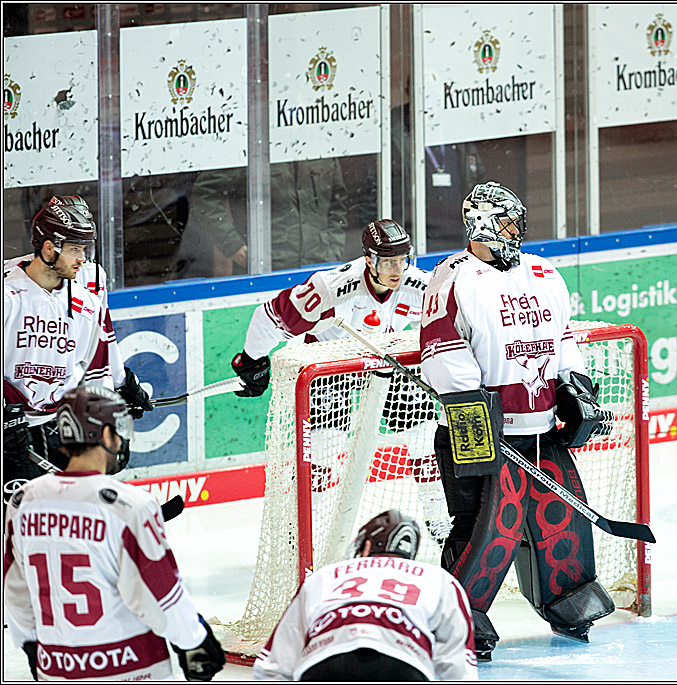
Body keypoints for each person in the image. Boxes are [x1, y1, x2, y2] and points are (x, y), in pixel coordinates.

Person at [419, 181, 616, 662]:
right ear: (482, 225)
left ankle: (569, 600)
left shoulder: (545, 273)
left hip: (542, 426)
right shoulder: (452, 279)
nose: (517, 230)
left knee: (562, 518)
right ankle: (462, 617)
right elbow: (441, 357)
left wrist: (575, 387)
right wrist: (479, 418)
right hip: (478, 428)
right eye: (507, 221)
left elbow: (563, 339)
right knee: (484, 526)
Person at [2, 387, 225, 681]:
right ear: (106, 436)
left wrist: (31, 643)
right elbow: (159, 593)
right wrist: (194, 640)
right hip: (130, 668)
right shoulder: (130, 505)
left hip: (55, 667)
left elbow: (14, 587)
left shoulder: (23, 502)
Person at [4, 196, 152, 503]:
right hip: (9, 428)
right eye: (74, 249)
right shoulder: (9, 296)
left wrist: (110, 411)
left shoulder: (87, 304)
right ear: (48, 248)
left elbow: (95, 373)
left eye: (85, 248)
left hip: (56, 426)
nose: (83, 258)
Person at [252, 509, 477, 681]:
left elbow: (274, 665)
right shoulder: (437, 578)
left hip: (325, 659)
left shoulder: (325, 575)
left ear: (367, 546)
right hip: (403, 662)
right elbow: (458, 664)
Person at [230, 219, 429, 397]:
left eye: (403, 260)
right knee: (329, 436)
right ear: (369, 261)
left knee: (419, 422)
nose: (397, 271)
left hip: (387, 364)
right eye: (388, 263)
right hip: (329, 369)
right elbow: (270, 318)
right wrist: (252, 360)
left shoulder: (421, 285)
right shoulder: (331, 289)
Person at [183, 157, 377, 277]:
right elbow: (204, 194)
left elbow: (338, 203)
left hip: (320, 267)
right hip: (266, 269)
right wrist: (232, 245)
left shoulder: (319, 146)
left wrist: (332, 250)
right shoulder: (254, 145)